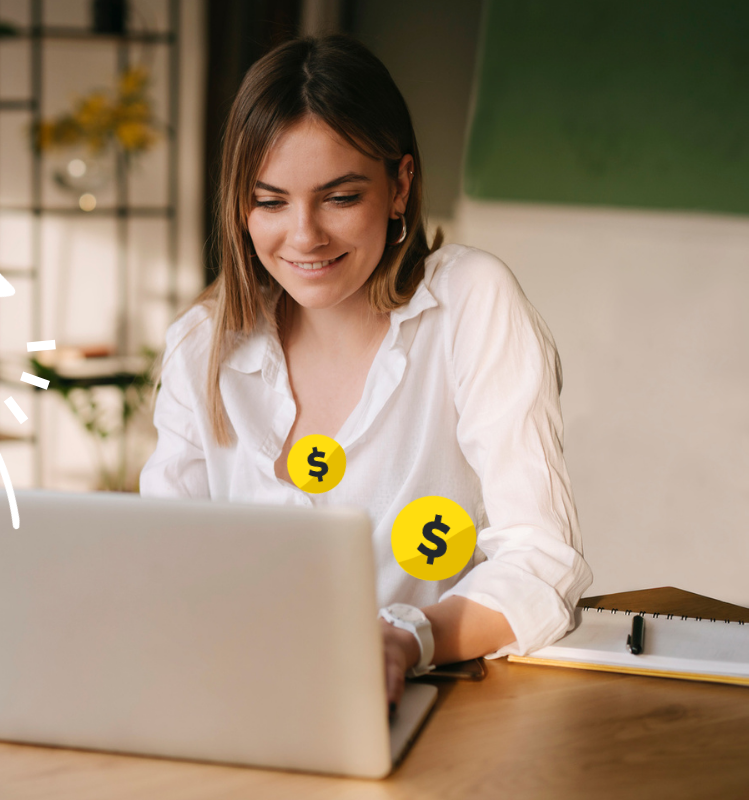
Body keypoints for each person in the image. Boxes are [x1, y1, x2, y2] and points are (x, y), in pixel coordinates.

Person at [139, 35, 593, 709]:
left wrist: (407, 638)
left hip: (433, 705)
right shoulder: (204, 345)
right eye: (270, 201)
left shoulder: (471, 301)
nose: (304, 236)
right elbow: (160, 566)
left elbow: (542, 563)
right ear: (240, 206)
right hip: (235, 700)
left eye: (340, 197)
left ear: (400, 185)